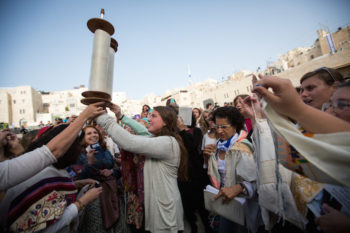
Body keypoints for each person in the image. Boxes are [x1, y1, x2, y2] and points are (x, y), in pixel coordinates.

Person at [96, 103, 187, 233]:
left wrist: (102, 117)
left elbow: (129, 141)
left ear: (166, 122)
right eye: (149, 115)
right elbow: (142, 131)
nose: (149, 119)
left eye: (154, 116)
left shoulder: (166, 142)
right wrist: (120, 116)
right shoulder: (161, 139)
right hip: (161, 206)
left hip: (165, 210)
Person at [0, 124, 102, 233]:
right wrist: (83, 202)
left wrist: (76, 184)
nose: (81, 151)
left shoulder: (48, 171)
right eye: (81, 147)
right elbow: (47, 230)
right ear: (69, 148)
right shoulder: (43, 176)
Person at [0, 103, 106, 191]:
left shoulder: (55, 173)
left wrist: (76, 184)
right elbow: (51, 152)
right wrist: (82, 202)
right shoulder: (46, 176)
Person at [204, 106, 260, 233]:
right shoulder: (217, 146)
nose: (219, 131)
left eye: (224, 127)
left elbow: (257, 181)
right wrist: (206, 158)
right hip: (224, 203)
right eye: (217, 126)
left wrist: (239, 187)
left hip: (242, 207)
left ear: (235, 126)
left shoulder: (243, 148)